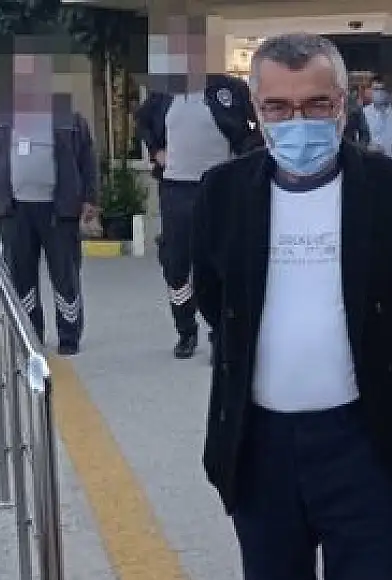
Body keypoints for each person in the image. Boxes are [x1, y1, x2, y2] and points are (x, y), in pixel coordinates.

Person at [190, 32, 392, 580]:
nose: (297, 122)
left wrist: (384, 319)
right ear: (257, 111)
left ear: (343, 104)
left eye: (316, 105)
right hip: (260, 451)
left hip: (362, 448)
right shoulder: (222, 194)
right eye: (279, 107)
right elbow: (215, 300)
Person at [135, 14, 261, 360]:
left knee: (222, 261)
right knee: (176, 264)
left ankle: (221, 332)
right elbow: (142, 123)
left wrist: (242, 160)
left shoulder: (227, 90)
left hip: (220, 190)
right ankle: (186, 331)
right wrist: (156, 151)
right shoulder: (162, 94)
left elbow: (255, 128)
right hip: (177, 191)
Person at [0, 47, 98, 355]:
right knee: (21, 276)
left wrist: (90, 199)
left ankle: (69, 336)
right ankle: (30, 335)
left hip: (59, 211)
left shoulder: (69, 117)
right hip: (15, 210)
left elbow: (87, 160)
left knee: (65, 276)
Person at [362, 77, 392, 161]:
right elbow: (356, 141)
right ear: (370, 91)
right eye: (376, 89)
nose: (379, 93)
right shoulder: (363, 113)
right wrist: (367, 147)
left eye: (382, 89)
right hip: (371, 162)